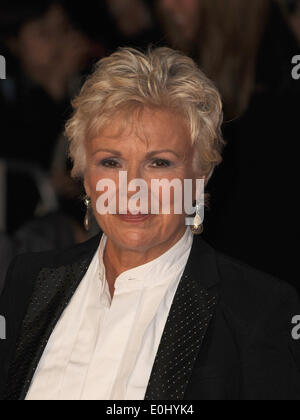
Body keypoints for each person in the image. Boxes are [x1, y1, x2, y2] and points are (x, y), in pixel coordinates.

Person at [0, 47, 299, 400]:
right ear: (83, 174)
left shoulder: (256, 310)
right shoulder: (29, 279)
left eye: (159, 163)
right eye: (111, 162)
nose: (132, 189)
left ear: (199, 176)